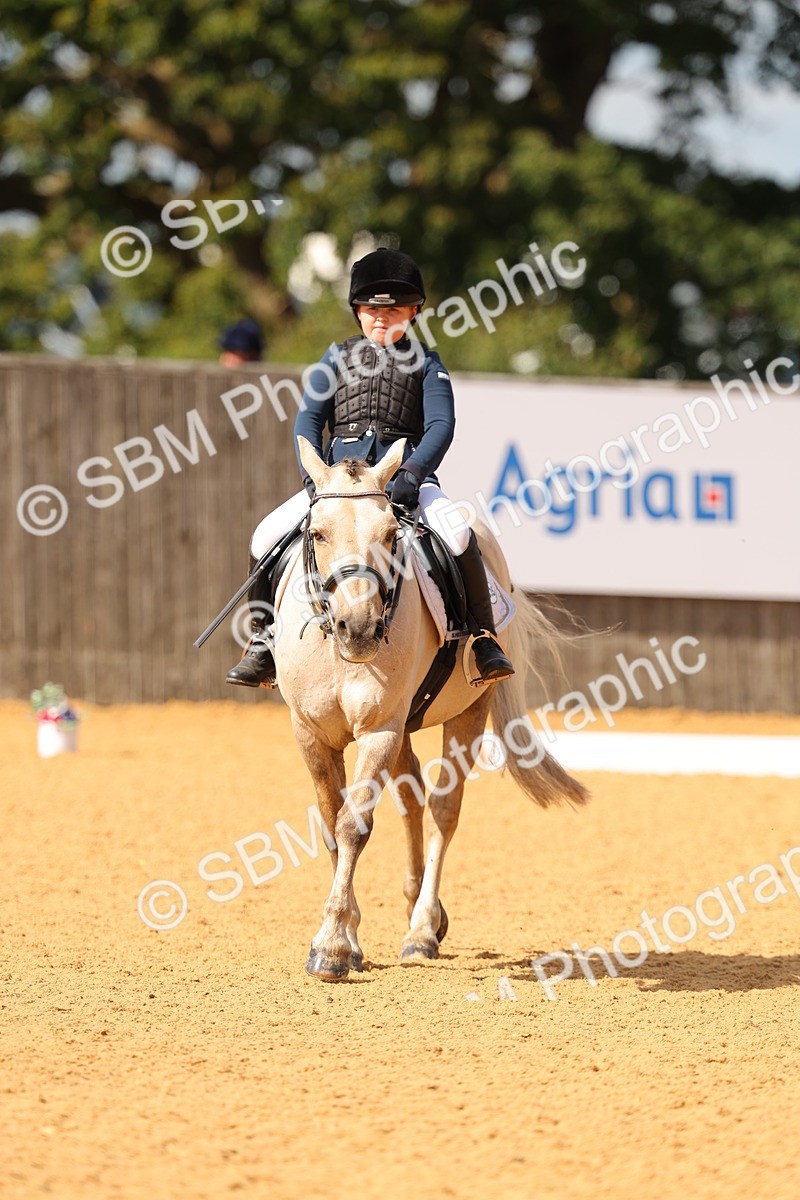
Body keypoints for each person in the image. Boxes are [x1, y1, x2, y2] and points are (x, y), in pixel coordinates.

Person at [226, 248, 514, 688]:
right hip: (337, 484)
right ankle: (263, 642)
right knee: (265, 535)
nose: (381, 317)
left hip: (405, 481)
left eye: (394, 309)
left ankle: (482, 638)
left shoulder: (427, 364)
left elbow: (441, 425)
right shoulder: (334, 359)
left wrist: (413, 474)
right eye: (371, 309)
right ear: (357, 311)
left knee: (458, 535)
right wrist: (316, 478)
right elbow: (308, 421)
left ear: (413, 312)